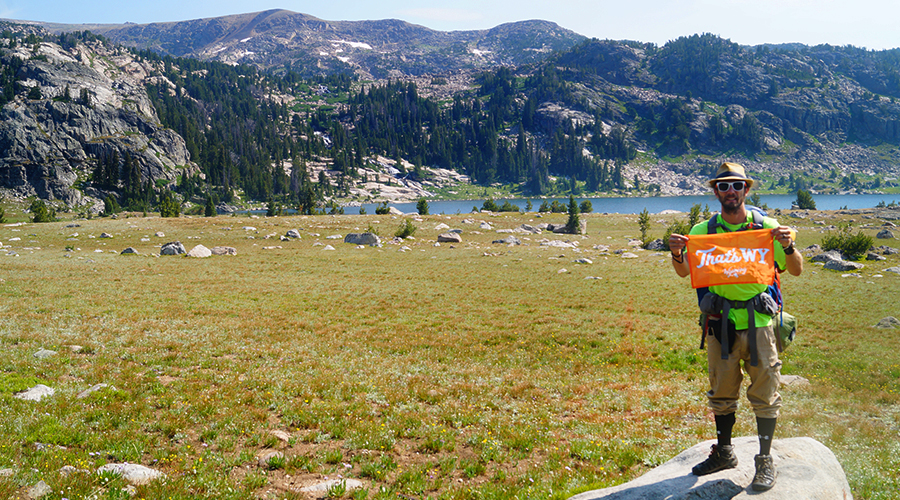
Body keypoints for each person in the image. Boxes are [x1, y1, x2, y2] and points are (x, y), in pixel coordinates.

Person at [668, 162, 803, 491]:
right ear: (715, 192)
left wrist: (787, 245)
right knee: (722, 390)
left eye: (737, 186)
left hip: (760, 323)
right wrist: (676, 254)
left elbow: (795, 270)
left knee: (765, 392)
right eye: (724, 186)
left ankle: (765, 461)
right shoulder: (702, 232)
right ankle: (725, 452)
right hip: (720, 324)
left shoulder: (766, 227)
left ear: (747, 189)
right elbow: (686, 273)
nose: (731, 192)